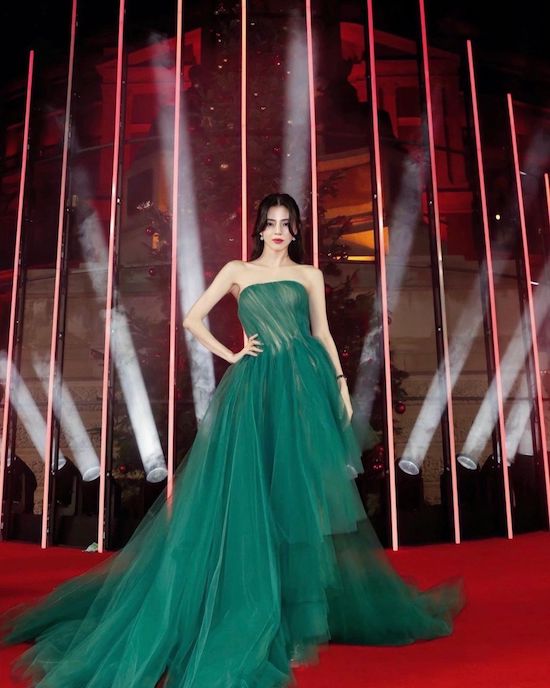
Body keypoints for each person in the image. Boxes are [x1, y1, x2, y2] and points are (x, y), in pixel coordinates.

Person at [1, 193, 463, 688]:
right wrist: (233, 352)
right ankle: (256, 614)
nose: (279, 231)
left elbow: (323, 334)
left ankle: (295, 623)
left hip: (301, 391)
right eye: (272, 223)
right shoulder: (237, 271)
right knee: (250, 502)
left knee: (297, 503)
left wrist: (340, 385)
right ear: (259, 228)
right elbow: (191, 318)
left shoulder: (309, 275)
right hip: (253, 393)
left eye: (287, 224)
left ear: (295, 230)